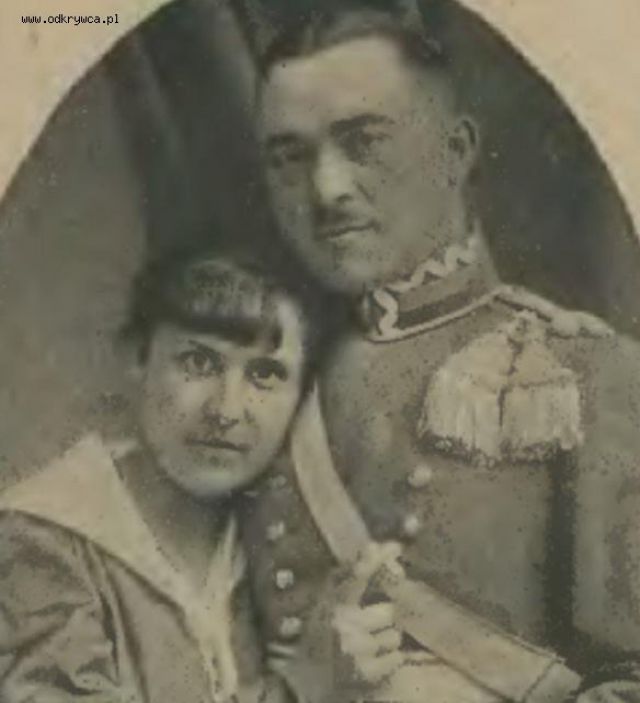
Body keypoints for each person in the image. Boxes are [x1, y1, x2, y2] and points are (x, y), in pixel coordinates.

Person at [242, 4, 640, 702]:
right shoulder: (268, 384)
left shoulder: (585, 373)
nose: (327, 189)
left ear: (456, 152)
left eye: (364, 142)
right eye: (290, 159)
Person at [0, 247, 324, 703]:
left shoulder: (276, 537)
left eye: (265, 374)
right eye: (198, 363)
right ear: (138, 357)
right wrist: (304, 687)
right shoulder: (43, 542)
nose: (227, 410)